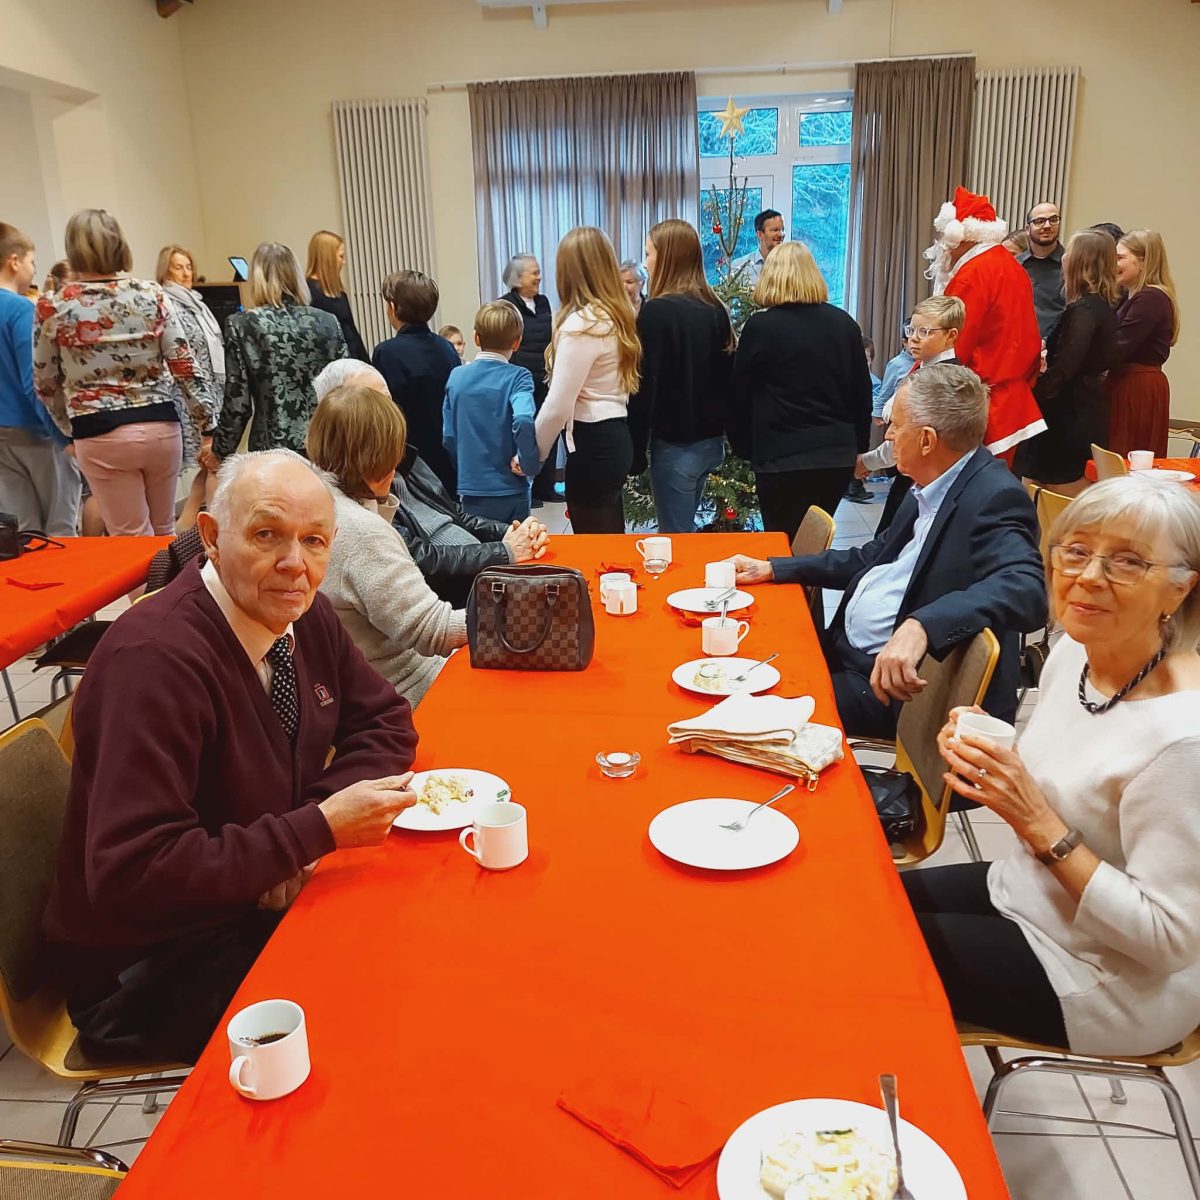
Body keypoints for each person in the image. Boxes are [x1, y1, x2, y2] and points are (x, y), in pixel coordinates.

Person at [44, 449, 420, 1064]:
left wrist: (301, 839)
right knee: (383, 1007)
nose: (295, 564)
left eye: (314, 541)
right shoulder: (154, 662)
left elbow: (385, 720)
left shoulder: (301, 614)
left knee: (417, 921)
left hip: (246, 901)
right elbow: (133, 875)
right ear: (213, 538)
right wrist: (311, 833)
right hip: (148, 967)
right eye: (267, 534)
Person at [907, 476, 1200, 1056]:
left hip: (1106, 977)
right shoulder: (1075, 652)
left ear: (1180, 588)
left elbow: (1169, 941)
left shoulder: (1182, 741)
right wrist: (997, 762)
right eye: (1076, 550)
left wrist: (1035, 819)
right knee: (859, 903)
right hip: (1027, 893)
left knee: (866, 958)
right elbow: (1077, 774)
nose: (1088, 577)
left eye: (1128, 562)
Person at [727, 365, 1046, 738]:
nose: (889, 434)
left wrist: (922, 625)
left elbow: (1027, 589)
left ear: (926, 440)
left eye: (896, 425)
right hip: (846, 655)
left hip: (888, 691)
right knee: (736, 661)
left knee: (745, 706)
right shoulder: (930, 483)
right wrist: (775, 568)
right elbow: (871, 558)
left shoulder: (994, 496)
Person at [312, 360, 549, 607]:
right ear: (337, 414)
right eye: (372, 403)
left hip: (479, 572)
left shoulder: (404, 456)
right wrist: (504, 551)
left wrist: (508, 533)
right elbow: (420, 561)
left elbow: (452, 513)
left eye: (387, 400)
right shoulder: (349, 501)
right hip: (461, 592)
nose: (387, 412)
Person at [34, 209, 210, 536]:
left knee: (129, 538)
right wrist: (207, 426)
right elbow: (185, 366)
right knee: (164, 531)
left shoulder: (53, 306)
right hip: (160, 427)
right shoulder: (152, 294)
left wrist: (68, 430)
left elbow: (45, 382)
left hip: (99, 432)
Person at [309, 384, 467, 707]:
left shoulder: (319, 499)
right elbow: (434, 630)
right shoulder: (361, 532)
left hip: (376, 684)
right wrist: (514, 611)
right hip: (408, 692)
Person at [729, 241, 872, 543]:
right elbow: (861, 392)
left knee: (781, 543)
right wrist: (860, 447)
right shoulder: (844, 324)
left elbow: (739, 395)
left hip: (779, 455)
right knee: (814, 544)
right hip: (834, 454)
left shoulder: (761, 327)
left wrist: (743, 446)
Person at [628, 219, 734, 533]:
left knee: (674, 539)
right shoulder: (714, 308)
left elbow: (644, 387)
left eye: (649, 254)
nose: (646, 263)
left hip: (676, 446)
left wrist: (635, 452)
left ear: (667, 258)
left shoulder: (657, 311)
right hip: (710, 444)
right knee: (684, 532)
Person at [925, 187, 1044, 462]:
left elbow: (952, 346)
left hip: (979, 404)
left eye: (943, 236)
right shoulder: (1010, 266)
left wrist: (914, 388)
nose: (941, 244)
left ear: (960, 236)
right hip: (1009, 398)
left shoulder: (973, 273)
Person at [535, 226, 641, 534]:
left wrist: (532, 455)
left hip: (592, 443)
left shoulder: (583, 324)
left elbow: (557, 405)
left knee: (596, 546)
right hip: (614, 436)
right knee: (609, 538)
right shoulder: (616, 315)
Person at [207, 242, 347, 465]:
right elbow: (345, 387)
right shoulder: (328, 321)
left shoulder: (243, 324)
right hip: (326, 443)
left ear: (257, 278)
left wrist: (220, 451)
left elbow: (238, 403)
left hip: (273, 447)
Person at [1014, 230, 1119, 495]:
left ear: (1081, 261)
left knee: (1056, 502)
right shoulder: (1096, 306)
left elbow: (1064, 370)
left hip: (1068, 419)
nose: (1063, 257)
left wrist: (1028, 394)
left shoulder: (1084, 310)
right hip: (1077, 410)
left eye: (1069, 252)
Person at [856, 295, 964, 532]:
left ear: (951, 335)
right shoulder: (923, 368)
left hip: (926, 482)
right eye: (911, 329)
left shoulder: (942, 380)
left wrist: (867, 461)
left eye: (925, 332)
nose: (913, 338)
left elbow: (908, 439)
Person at [0, 222, 81, 536]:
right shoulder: (20, 309)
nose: (34, 270)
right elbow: (35, 381)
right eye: (32, 262)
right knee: (61, 528)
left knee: (22, 533)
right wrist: (64, 438)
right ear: (14, 261)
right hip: (36, 432)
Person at [443, 300, 538, 524]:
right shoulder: (519, 377)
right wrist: (528, 462)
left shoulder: (456, 376)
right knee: (517, 543)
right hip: (511, 487)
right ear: (517, 342)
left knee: (481, 544)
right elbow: (524, 418)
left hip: (472, 486)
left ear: (476, 338)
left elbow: (449, 436)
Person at [371, 269, 460, 494]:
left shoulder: (386, 352)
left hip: (408, 461)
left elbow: (383, 409)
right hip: (446, 455)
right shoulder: (446, 348)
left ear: (392, 307)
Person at [156, 244, 225, 529]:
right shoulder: (167, 303)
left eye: (188, 267)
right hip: (188, 395)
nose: (186, 273)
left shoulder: (196, 303)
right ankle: (211, 528)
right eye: (178, 267)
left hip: (209, 390)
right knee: (213, 461)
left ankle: (189, 526)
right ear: (165, 271)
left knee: (212, 462)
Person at [1107, 230, 1179, 458]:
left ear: (1143, 261)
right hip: (1129, 384)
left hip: (1135, 389)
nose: (1113, 264)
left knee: (1128, 458)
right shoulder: (1133, 296)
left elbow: (1118, 347)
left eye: (1120, 258)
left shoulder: (1150, 298)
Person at [499, 253, 557, 505]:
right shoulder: (506, 304)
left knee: (548, 429)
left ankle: (546, 487)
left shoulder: (543, 302)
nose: (539, 277)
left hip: (545, 378)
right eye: (534, 272)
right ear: (517, 277)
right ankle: (526, 489)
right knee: (523, 432)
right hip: (520, 379)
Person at [304, 230, 368, 362]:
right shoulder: (308, 294)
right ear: (328, 258)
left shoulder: (339, 292)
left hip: (350, 362)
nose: (344, 262)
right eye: (341, 256)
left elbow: (352, 332)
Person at [1017, 202, 1066, 338]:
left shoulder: (1071, 265)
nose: (1047, 226)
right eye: (1039, 221)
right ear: (1027, 229)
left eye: (1053, 219)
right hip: (1017, 343)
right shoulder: (1015, 265)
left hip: (1055, 345)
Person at [731, 209, 785, 284]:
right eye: (775, 230)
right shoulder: (739, 267)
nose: (781, 234)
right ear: (759, 234)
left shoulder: (790, 266)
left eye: (782, 229)